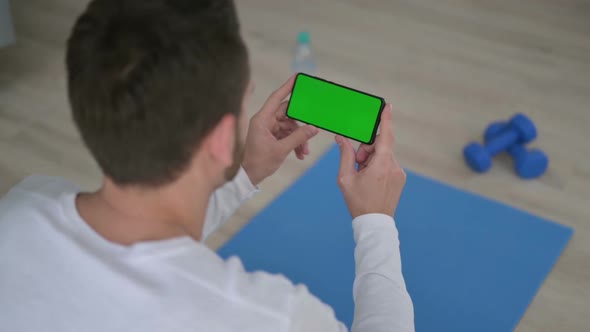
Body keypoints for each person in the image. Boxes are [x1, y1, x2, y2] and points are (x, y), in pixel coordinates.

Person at [0, 0, 414, 331]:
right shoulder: (276, 319)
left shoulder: (23, 204)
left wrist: (245, 172)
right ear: (220, 136)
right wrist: (375, 222)